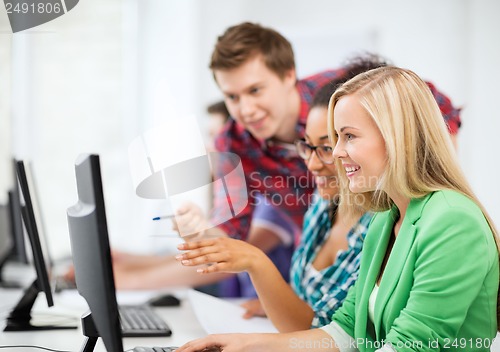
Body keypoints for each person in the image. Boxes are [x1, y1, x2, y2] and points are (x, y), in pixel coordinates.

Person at [176, 66, 499, 352]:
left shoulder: (453, 220)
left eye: (348, 137)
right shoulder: (386, 218)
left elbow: (412, 345)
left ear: (398, 138)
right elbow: (345, 334)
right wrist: (244, 344)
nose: (339, 153)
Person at [176, 55, 388, 331]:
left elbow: (333, 334)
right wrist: (277, 300)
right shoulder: (320, 205)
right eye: (308, 147)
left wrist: (257, 264)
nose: (311, 164)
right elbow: (310, 303)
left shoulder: (386, 227)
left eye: (327, 146)